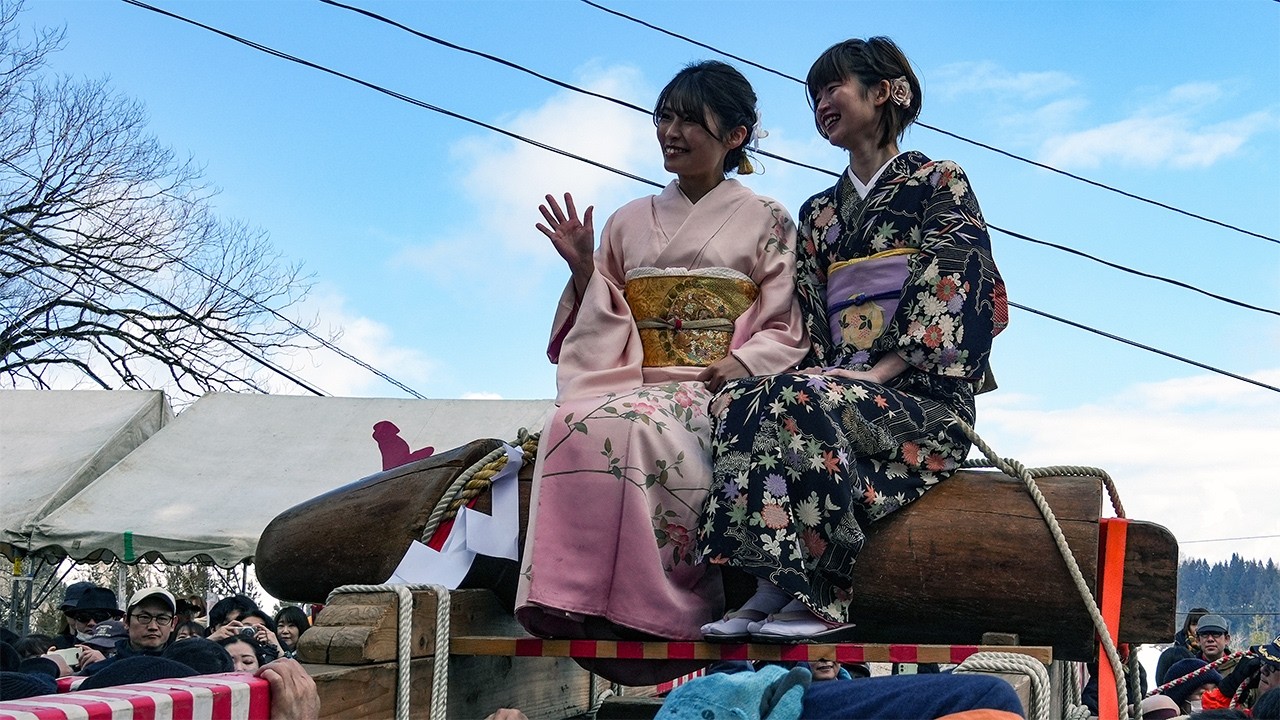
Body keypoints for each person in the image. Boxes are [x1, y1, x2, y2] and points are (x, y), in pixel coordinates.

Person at [697, 36, 1006, 641]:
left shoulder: (938, 181)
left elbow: (955, 278)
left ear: (884, 91)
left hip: (922, 398)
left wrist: (878, 371)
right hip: (840, 385)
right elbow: (811, 315)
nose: (820, 104)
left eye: (832, 87)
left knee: (801, 399)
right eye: (813, 95)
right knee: (740, 400)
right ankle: (768, 585)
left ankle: (817, 596)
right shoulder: (818, 213)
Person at [514, 58, 807, 660]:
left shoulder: (770, 219)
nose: (670, 133)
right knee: (567, 421)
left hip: (718, 391)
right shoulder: (626, 220)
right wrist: (583, 266)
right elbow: (605, 312)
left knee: (635, 428)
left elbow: (785, 322)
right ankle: (570, 594)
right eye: (664, 118)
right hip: (633, 379)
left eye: (689, 121)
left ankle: (659, 603)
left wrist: (745, 363)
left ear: (736, 135)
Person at [80, 586, 178, 676]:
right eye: (144, 617)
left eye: (162, 619)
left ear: (173, 623)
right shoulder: (98, 672)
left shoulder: (183, 670)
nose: (153, 627)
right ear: (126, 621)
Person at [1158, 607, 1209, 684]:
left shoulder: (1216, 648)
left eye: (1201, 624)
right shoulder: (1177, 648)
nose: (1197, 628)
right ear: (1188, 625)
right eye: (1194, 624)